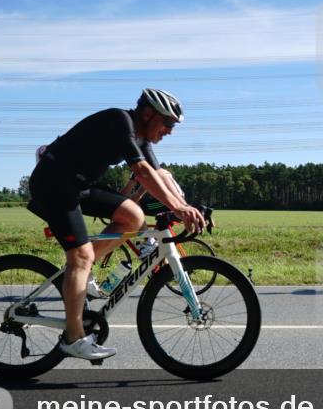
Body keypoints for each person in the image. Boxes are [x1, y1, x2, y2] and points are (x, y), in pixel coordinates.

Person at [27, 88, 205, 360]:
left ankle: (78, 275)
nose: (170, 130)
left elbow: (159, 174)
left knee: (133, 217)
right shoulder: (119, 120)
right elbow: (142, 172)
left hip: (79, 185)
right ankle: (73, 338)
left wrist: (187, 205)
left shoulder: (142, 139)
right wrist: (177, 208)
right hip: (53, 182)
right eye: (167, 122)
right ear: (147, 113)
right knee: (81, 256)